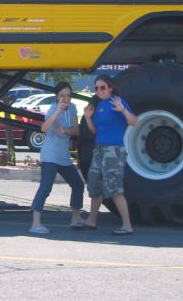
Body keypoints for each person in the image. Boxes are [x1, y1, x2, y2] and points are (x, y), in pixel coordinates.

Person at [80, 75, 137, 235]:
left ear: (110, 88)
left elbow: (134, 122)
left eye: (102, 87)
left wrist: (123, 110)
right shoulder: (99, 106)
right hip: (99, 149)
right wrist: (88, 118)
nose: (99, 90)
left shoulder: (117, 102)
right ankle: (91, 221)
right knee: (94, 185)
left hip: (114, 150)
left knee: (114, 188)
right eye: (96, 88)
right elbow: (94, 131)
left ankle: (127, 225)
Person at [29, 82, 86, 234]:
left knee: (78, 184)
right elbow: (44, 128)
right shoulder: (53, 108)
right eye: (62, 95)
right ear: (57, 97)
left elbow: (76, 130)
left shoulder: (73, 108)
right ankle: (36, 223)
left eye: (68, 95)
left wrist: (66, 130)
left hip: (63, 156)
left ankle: (76, 218)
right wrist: (57, 111)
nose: (66, 98)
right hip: (50, 155)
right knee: (46, 187)